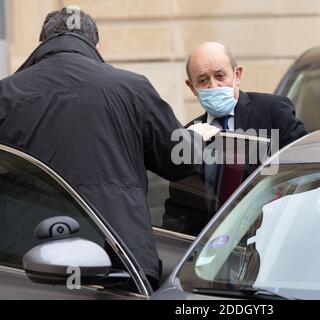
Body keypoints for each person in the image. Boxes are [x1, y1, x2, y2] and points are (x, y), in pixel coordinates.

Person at [0, 8, 214, 290]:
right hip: (118, 261)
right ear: (97, 46)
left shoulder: (7, 93)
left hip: (22, 263)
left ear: (41, 44)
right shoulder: (130, 87)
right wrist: (195, 138)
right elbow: (181, 162)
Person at [162, 42, 309, 235]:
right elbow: (180, 208)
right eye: (203, 80)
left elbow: (305, 167)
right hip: (217, 243)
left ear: (237, 75)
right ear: (192, 87)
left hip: (275, 233)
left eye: (220, 76)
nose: (213, 85)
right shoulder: (190, 134)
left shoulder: (272, 111)